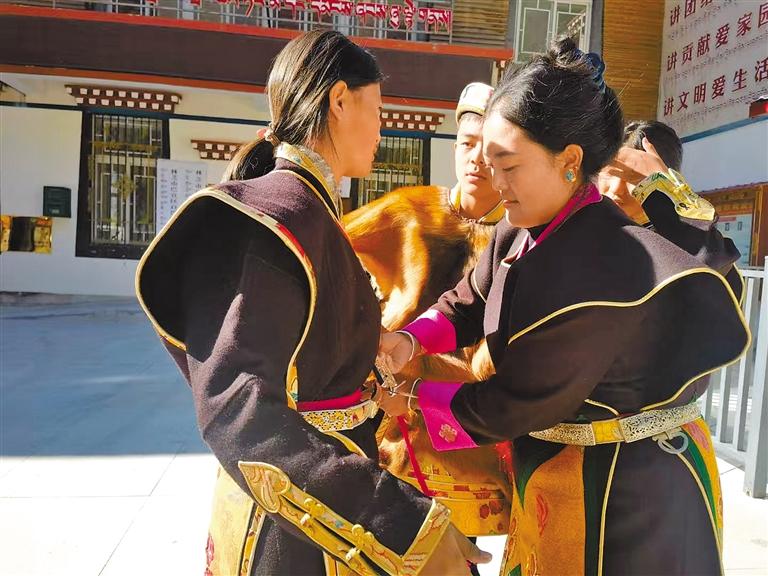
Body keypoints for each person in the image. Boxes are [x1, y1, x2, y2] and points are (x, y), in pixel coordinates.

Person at [379, 38, 749, 576]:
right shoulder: (518, 228)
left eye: (508, 165)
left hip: (629, 492)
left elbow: (515, 402)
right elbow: (470, 299)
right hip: (557, 470)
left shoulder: (606, 261)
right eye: (488, 163)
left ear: (570, 162)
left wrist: (412, 398)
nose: (495, 182)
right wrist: (410, 338)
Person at [135, 30, 489, 576]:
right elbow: (239, 412)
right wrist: (400, 521)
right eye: (378, 110)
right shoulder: (271, 223)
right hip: (292, 533)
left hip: (327, 513)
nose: (382, 129)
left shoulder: (313, 213)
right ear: (340, 100)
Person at [343, 82, 511, 539]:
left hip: (470, 431)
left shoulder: (518, 236)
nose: (476, 160)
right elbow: (328, 252)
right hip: (390, 424)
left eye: (491, 150)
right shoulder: (409, 212)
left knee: (458, 553)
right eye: (467, 144)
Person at [599, 119, 744, 300]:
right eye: (609, 174)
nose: (615, 190)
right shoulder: (589, 228)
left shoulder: (694, 246)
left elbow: (712, 278)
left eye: (633, 177)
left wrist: (668, 193)